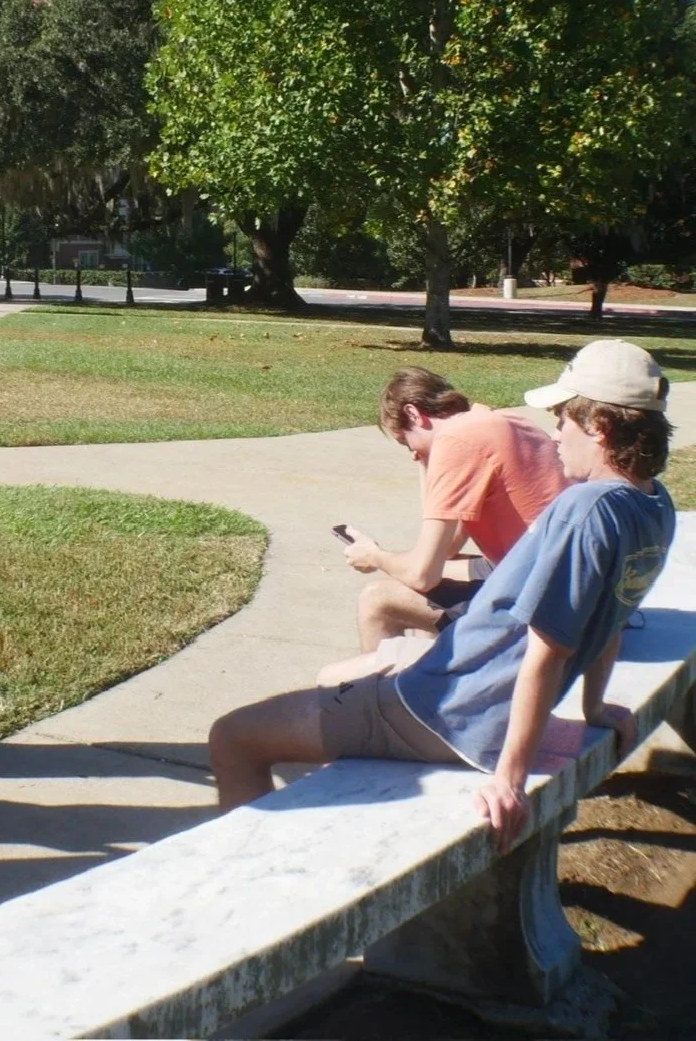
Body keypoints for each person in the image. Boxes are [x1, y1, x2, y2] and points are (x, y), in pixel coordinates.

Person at [208, 340, 675, 854]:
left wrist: (509, 781)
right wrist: (594, 707)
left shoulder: (583, 511)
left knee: (233, 736)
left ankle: (248, 877)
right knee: (353, 673)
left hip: (447, 712)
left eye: (563, 417)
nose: (555, 431)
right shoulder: (653, 505)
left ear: (599, 427)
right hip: (473, 699)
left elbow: (548, 651)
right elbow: (608, 616)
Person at [320, 368, 567, 683]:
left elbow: (423, 573)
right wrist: (426, 461)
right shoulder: (501, 421)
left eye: (405, 441)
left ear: (413, 413)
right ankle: (428, 684)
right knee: (426, 577)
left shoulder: (457, 440)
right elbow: (448, 548)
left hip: (536, 610)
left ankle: (378, 710)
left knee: (377, 598)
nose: (411, 452)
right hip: (556, 584)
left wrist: (375, 556)